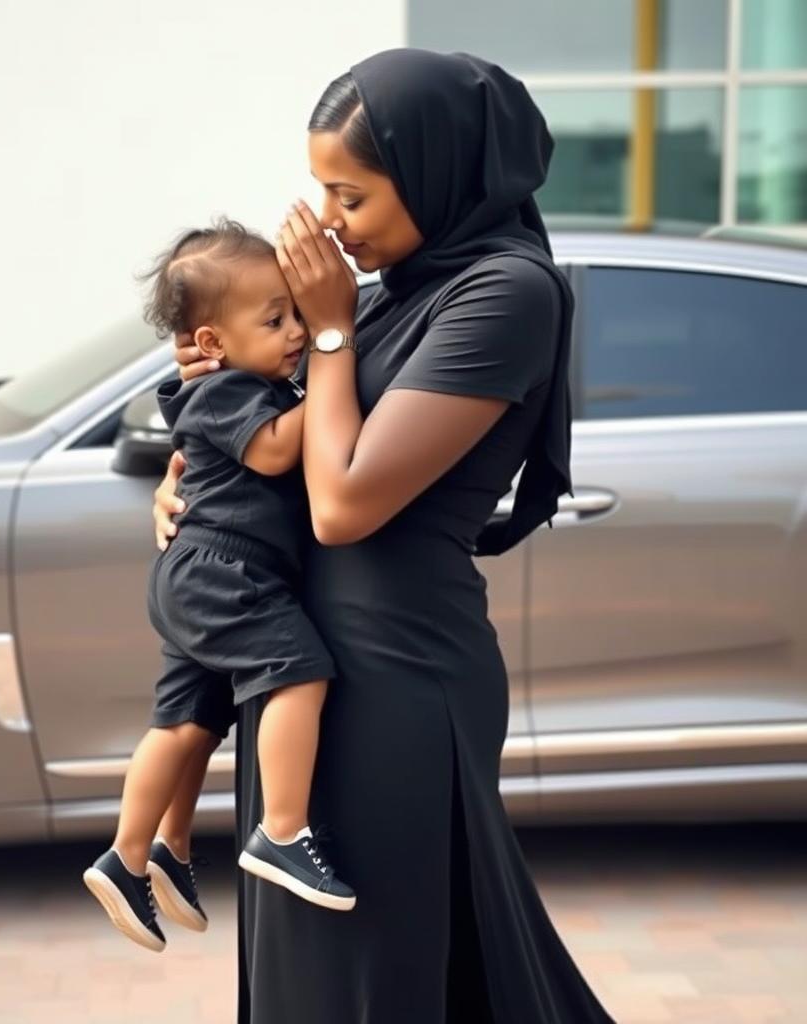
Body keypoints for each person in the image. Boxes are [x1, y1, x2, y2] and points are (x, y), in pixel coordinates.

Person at [152, 48, 619, 1022]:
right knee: (310, 968)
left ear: (440, 173)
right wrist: (184, 476)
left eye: (350, 196)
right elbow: (266, 425)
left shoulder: (503, 294)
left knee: (377, 971)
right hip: (302, 672)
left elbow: (344, 501)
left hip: (400, 679)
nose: (326, 221)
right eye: (320, 191)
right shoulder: (387, 294)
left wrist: (326, 334)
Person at [83, 218, 355, 955]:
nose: (297, 331)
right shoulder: (227, 390)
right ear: (212, 343)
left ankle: (139, 854)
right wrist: (333, 363)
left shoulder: (240, 376)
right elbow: (272, 454)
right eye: (276, 320)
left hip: (203, 572)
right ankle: (283, 831)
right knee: (300, 672)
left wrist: (304, 363)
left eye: (297, 313)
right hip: (222, 570)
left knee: (186, 724)